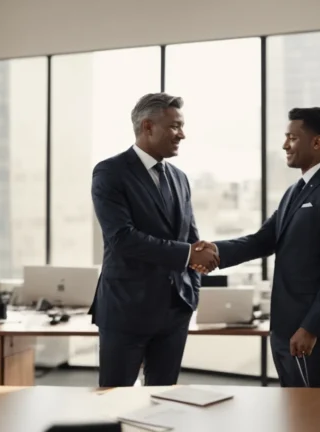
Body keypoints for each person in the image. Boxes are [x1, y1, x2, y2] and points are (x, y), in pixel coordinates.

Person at [194, 107, 320, 388]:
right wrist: (214, 250)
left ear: (317, 142)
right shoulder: (295, 191)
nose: (285, 145)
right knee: (293, 413)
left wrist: (311, 328)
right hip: (284, 330)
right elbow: (263, 240)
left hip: (312, 333)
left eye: (292, 138)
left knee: (316, 417)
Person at [89, 92, 219, 387]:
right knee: (114, 398)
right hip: (127, 311)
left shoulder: (181, 177)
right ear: (147, 127)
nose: (182, 135)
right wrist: (189, 255)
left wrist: (191, 290)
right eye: (175, 126)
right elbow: (123, 238)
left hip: (175, 311)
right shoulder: (110, 172)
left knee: (164, 400)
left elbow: (191, 238)